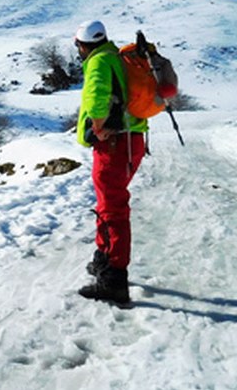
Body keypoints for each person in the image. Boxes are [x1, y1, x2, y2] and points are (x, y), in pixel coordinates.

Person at [73, 20, 147, 304]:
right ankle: (104, 259)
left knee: (113, 207)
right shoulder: (114, 55)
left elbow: (97, 97)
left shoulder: (98, 61)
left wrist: (99, 128)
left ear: (82, 44)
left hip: (115, 143)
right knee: (109, 203)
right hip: (132, 140)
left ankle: (114, 278)